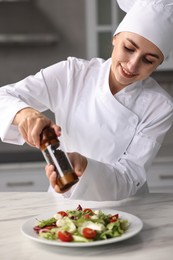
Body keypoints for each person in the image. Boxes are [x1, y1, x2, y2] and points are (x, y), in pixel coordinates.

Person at [0, 0, 173, 201]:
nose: (132, 65)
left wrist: (85, 166)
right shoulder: (73, 73)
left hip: (127, 211)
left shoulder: (160, 106)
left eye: (148, 60)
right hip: (66, 203)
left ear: (158, 64)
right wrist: (25, 114)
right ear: (115, 38)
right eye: (129, 48)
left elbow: (129, 176)